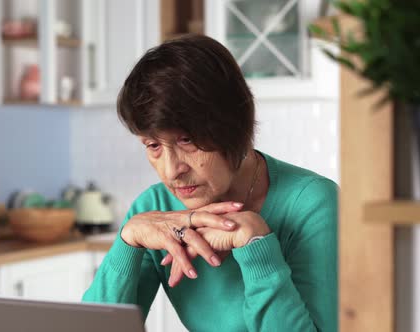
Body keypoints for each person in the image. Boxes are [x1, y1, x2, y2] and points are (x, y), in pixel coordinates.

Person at [82, 34, 338, 332]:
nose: (171, 170)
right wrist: (127, 242)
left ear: (233, 125)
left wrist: (255, 244)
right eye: (152, 145)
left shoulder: (313, 204)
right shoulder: (154, 211)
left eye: (187, 140)